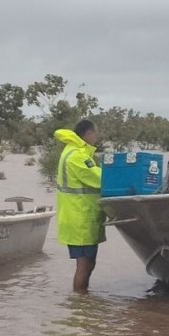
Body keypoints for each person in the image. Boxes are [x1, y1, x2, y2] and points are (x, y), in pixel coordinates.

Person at [55, 118, 104, 292]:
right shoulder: (76, 155)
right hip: (79, 219)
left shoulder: (74, 152)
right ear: (89, 134)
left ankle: (82, 303)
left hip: (81, 217)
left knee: (88, 263)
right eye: (95, 134)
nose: (96, 138)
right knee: (84, 263)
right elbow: (96, 177)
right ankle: (80, 303)